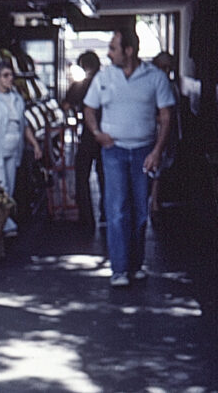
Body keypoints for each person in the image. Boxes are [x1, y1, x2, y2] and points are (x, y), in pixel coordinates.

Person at [84, 28, 175, 287]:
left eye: (113, 48)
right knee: (117, 209)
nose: (109, 53)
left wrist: (157, 151)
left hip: (144, 153)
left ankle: (135, 265)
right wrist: (97, 133)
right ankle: (119, 269)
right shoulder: (104, 77)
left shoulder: (155, 78)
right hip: (113, 152)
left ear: (129, 51)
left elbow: (167, 117)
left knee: (139, 211)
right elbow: (89, 109)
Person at [0, 61, 43, 236]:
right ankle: (1, 226)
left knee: (9, 188)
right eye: (5, 75)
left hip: (13, 150)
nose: (10, 78)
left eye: (11, 75)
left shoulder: (17, 98)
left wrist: (34, 144)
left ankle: (3, 222)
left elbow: (24, 125)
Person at [65, 51, 106, 229]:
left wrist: (75, 113)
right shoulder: (106, 82)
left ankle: (86, 218)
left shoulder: (81, 85)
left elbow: (66, 104)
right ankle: (106, 212)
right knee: (106, 176)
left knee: (82, 176)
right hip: (107, 135)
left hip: (89, 135)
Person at [149, 51, 181, 213]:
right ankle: (153, 201)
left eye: (169, 68)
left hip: (168, 131)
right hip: (155, 130)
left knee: (161, 164)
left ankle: (155, 200)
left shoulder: (171, 85)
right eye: (164, 67)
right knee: (155, 165)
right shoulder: (152, 85)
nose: (167, 71)